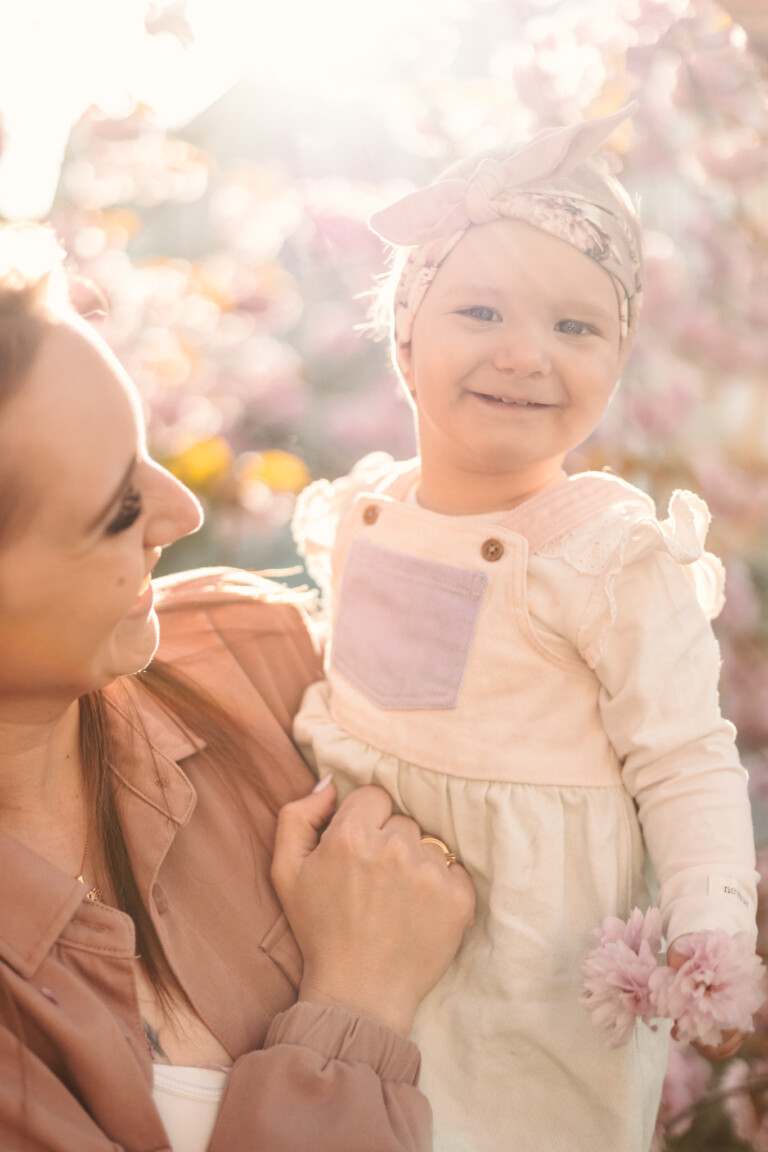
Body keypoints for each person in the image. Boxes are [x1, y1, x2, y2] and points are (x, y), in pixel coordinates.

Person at [291, 105, 760, 1152]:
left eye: (575, 326)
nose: (525, 355)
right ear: (405, 330)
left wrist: (711, 928)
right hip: (355, 930)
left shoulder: (607, 557)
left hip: (531, 980)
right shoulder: (368, 511)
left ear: (622, 352)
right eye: (481, 312)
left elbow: (685, 760)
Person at [0, 221, 476, 1152]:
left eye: (145, 449)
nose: (180, 509)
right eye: (117, 508)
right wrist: (352, 1008)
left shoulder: (257, 657)